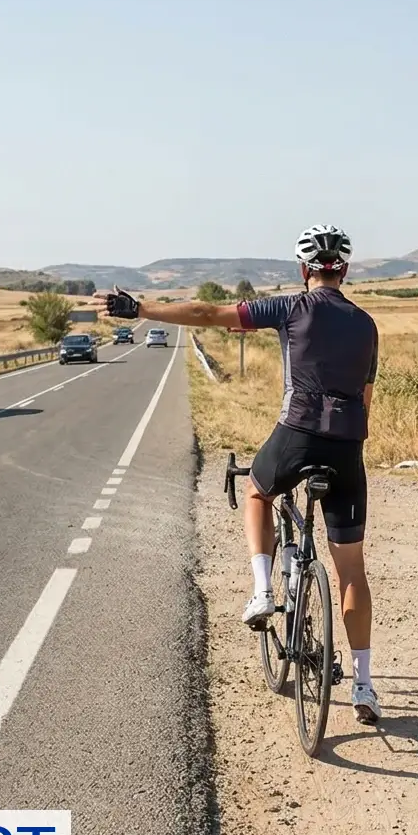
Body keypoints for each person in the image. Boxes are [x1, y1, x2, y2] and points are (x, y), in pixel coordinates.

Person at [103, 225, 382, 724]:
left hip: (296, 433)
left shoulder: (290, 308)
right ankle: (363, 686)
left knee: (257, 489)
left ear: (303, 271)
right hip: (347, 448)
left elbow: (209, 314)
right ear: (345, 269)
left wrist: (142, 309)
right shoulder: (366, 325)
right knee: (352, 572)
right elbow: (365, 399)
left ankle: (263, 590)